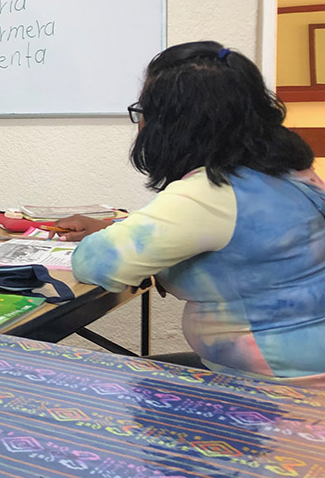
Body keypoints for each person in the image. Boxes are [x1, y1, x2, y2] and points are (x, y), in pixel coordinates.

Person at [58, 41, 325, 387]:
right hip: (306, 366)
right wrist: (115, 225)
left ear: (174, 124)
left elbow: (96, 263)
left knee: (103, 386)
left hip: (274, 389)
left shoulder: (212, 191)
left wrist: (105, 238)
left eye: (144, 111)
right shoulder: (289, 172)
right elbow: (224, 238)